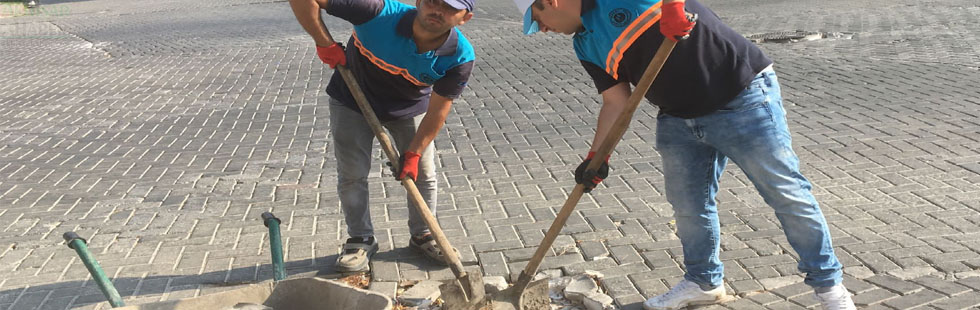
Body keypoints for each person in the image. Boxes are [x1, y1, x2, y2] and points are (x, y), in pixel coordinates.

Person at [511, 0, 856, 309]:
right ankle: (703, 282)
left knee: (786, 194)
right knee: (689, 207)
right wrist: (596, 157)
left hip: (741, 97)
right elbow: (615, 101)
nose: (541, 29)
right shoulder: (585, 44)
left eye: (537, 19)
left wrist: (673, 6)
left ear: (552, 1)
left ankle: (831, 291)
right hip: (678, 118)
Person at [288, 0, 475, 272]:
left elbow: (437, 112)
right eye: (433, 1)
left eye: (450, 7)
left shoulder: (460, 56)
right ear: (420, 2)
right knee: (352, 174)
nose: (438, 10)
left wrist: (413, 153)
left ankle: (423, 234)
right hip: (351, 100)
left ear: (464, 18)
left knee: (423, 172)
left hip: (409, 108)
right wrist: (324, 42)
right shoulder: (376, 12)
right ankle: (360, 239)